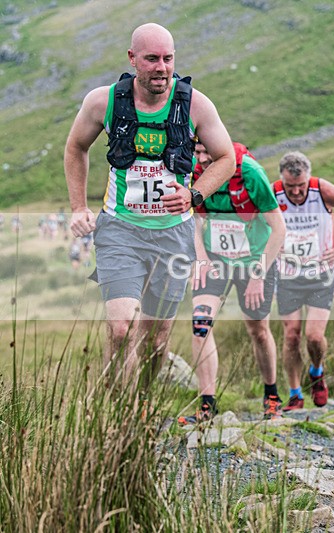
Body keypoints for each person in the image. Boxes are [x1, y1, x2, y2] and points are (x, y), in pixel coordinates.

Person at [64, 23, 235, 386]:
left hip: (174, 234)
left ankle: (142, 405)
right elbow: (76, 147)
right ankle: (114, 413)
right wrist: (79, 207)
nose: (161, 67)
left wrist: (194, 194)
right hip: (120, 230)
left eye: (168, 59)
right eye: (152, 59)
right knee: (121, 327)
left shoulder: (196, 104)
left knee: (156, 340)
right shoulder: (103, 101)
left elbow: (226, 159)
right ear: (132, 59)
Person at [178, 142, 286, 424]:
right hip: (216, 259)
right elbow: (196, 221)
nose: (200, 159)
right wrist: (200, 257)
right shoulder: (195, 170)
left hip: (255, 259)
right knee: (200, 323)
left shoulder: (250, 173)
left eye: (206, 153)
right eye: (196, 152)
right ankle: (207, 404)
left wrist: (258, 275)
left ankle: (271, 395)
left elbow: (279, 228)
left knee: (258, 330)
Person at [274, 151, 334, 410]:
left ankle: (317, 372)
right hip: (287, 275)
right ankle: (295, 394)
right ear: (282, 180)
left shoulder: (322, 190)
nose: (295, 192)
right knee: (291, 336)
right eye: (290, 186)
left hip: (321, 275)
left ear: (309, 178)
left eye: (300, 186)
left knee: (314, 337)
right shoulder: (273, 193)